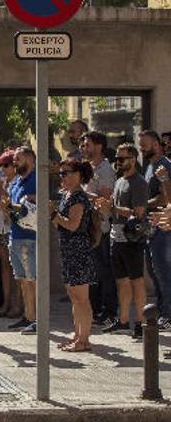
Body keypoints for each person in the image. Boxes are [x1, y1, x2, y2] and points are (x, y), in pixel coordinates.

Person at [100, 143, 149, 339]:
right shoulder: (120, 181)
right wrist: (106, 207)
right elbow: (115, 208)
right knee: (122, 282)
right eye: (117, 159)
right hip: (116, 236)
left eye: (122, 159)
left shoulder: (139, 182)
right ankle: (123, 320)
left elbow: (138, 213)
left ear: (133, 159)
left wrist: (112, 208)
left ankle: (142, 323)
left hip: (131, 239)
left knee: (137, 281)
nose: (118, 162)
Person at [53, 158, 96, 352]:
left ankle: (84, 340)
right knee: (73, 295)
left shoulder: (78, 196)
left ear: (77, 175)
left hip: (78, 249)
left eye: (66, 172)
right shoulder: (67, 194)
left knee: (81, 298)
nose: (62, 176)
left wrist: (54, 215)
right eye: (61, 173)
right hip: (68, 249)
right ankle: (77, 335)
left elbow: (73, 224)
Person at [80, 131, 117, 327]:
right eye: (83, 145)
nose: (84, 149)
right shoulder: (87, 168)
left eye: (88, 145)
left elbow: (105, 199)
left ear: (99, 146)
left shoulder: (105, 170)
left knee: (104, 271)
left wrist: (81, 194)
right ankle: (93, 310)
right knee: (91, 272)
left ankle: (109, 312)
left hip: (100, 227)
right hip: (86, 226)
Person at [1, 147, 37, 334]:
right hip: (15, 235)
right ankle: (28, 316)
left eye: (18, 158)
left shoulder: (36, 179)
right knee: (22, 279)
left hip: (30, 237)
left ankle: (37, 318)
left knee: (33, 279)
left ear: (30, 159)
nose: (14, 162)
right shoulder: (16, 183)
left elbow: (36, 204)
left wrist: (14, 205)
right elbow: (13, 213)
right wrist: (5, 207)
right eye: (14, 159)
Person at [140, 130, 171, 326]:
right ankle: (162, 310)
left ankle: (168, 314)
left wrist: (142, 203)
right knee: (154, 271)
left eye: (145, 144)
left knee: (164, 271)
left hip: (163, 226)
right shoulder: (150, 167)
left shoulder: (164, 166)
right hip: (151, 226)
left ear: (157, 145)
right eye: (140, 144)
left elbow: (165, 198)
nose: (141, 148)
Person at [0, 150, 16, 319]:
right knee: (4, 267)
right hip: (0, 226)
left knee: (17, 269)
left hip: (12, 228)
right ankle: (6, 302)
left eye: (6, 165)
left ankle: (16, 304)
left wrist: (2, 190)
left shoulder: (17, 182)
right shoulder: (4, 181)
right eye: (1, 165)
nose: (4, 169)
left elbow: (14, 204)